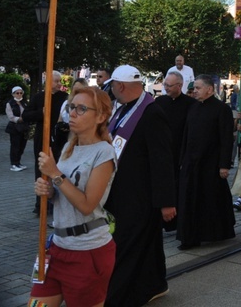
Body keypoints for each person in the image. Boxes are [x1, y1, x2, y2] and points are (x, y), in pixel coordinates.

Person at [30, 86, 117, 307]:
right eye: (71, 107)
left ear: (101, 116)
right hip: (56, 248)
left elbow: (87, 205)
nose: (73, 113)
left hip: (88, 253)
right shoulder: (70, 146)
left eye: (81, 108)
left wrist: (55, 174)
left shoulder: (104, 152)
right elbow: (63, 191)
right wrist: (48, 191)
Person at [105, 65, 176, 306]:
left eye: (113, 85)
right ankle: (155, 284)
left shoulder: (151, 112)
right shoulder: (122, 109)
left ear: (121, 86)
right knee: (148, 243)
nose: (112, 89)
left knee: (128, 244)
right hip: (121, 191)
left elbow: (163, 160)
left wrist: (166, 201)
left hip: (140, 196)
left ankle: (119, 296)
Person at [177, 75, 235, 249]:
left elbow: (226, 139)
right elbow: (186, 135)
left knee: (209, 199)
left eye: (198, 88)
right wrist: (182, 159)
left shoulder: (221, 109)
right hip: (191, 162)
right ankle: (189, 236)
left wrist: (224, 165)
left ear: (209, 89)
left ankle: (211, 233)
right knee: (188, 199)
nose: (195, 91)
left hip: (210, 164)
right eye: (194, 88)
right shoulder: (193, 107)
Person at [154, 70, 196, 231]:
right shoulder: (160, 102)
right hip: (163, 151)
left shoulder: (190, 104)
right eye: (165, 84)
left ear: (179, 86)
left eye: (169, 85)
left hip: (180, 152)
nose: (166, 88)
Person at [23, 71, 68, 214]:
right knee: (41, 168)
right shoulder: (38, 97)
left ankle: (57, 201)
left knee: (58, 168)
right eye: (56, 81)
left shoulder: (64, 98)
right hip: (42, 138)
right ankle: (41, 204)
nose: (59, 84)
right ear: (48, 82)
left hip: (59, 139)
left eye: (60, 81)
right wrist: (41, 113)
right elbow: (26, 115)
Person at [54, 78, 89, 165]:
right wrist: (60, 126)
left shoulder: (86, 104)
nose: (76, 90)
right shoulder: (66, 102)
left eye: (80, 88)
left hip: (76, 138)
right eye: (75, 87)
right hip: (62, 138)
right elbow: (60, 119)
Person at [5, 86, 28, 171]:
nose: (19, 94)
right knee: (15, 146)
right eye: (17, 93)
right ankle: (14, 163)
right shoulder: (10, 103)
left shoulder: (24, 103)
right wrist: (19, 119)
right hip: (14, 127)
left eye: (21, 93)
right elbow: (10, 116)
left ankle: (18, 162)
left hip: (24, 127)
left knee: (22, 145)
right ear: (13, 94)